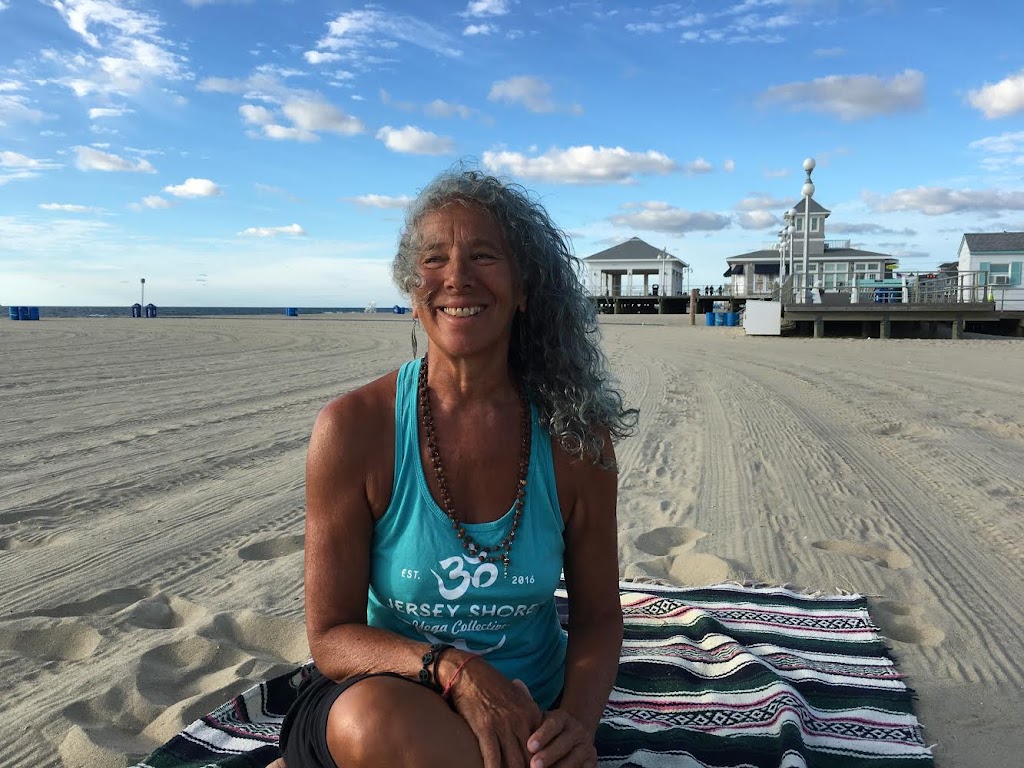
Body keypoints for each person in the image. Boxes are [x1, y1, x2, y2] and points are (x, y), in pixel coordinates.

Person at [274, 168, 637, 768]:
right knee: (371, 725)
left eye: (484, 255)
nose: (457, 278)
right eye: (434, 259)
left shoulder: (575, 439)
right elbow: (332, 637)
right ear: (413, 291)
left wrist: (576, 722)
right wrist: (455, 669)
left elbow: (598, 616)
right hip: (392, 694)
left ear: (525, 288)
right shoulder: (354, 429)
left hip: (531, 712)